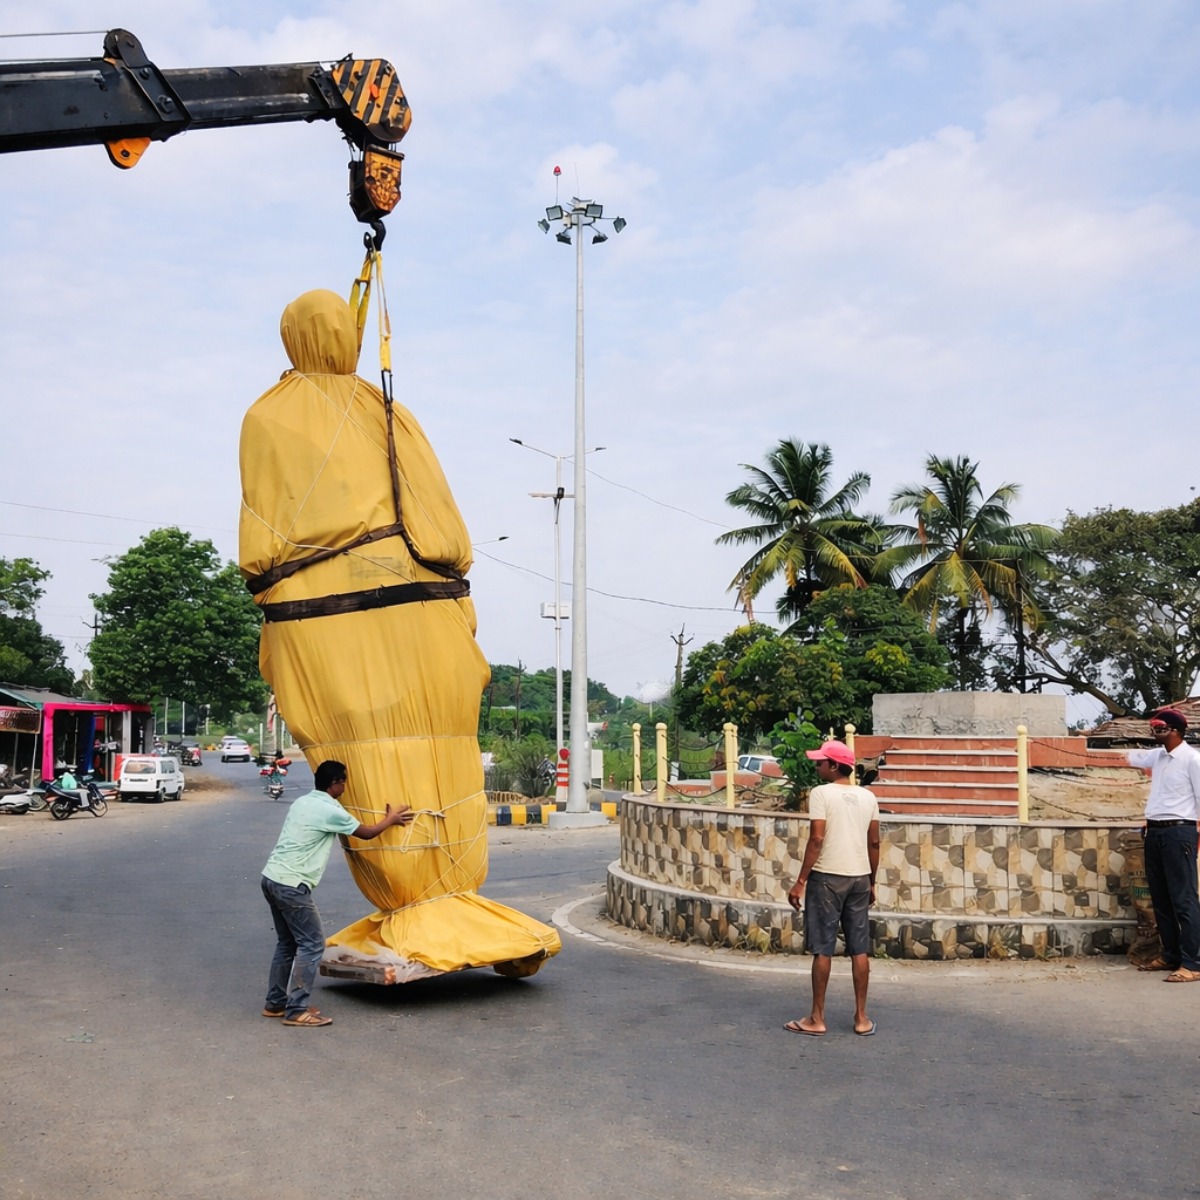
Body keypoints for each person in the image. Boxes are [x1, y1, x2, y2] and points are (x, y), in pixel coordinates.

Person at [261, 760, 414, 1026]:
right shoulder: (331, 811)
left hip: (271, 877)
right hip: (292, 884)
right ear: (336, 784)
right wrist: (390, 820)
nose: (346, 786)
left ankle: (275, 1003)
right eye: (344, 781)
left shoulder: (303, 802)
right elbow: (365, 833)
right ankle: (296, 1010)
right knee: (312, 944)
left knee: (287, 944)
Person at [785, 740, 881, 1037]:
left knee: (823, 947)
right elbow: (874, 842)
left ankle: (817, 1018)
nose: (817, 767)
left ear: (835, 766)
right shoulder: (868, 798)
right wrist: (873, 881)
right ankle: (862, 1018)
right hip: (860, 877)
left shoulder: (821, 794)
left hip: (827, 878)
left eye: (821, 762)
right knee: (859, 949)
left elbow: (817, 839)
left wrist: (800, 881)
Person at [1127, 708, 1200, 983]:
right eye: (1154, 725)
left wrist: (1196, 835)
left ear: (1176, 731)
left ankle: (1193, 962)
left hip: (1179, 831)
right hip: (1155, 831)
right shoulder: (1158, 757)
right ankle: (1171, 954)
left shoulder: (1192, 759)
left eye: (1160, 726)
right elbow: (1129, 757)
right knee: (1161, 897)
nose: (1154, 730)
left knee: (1184, 899)